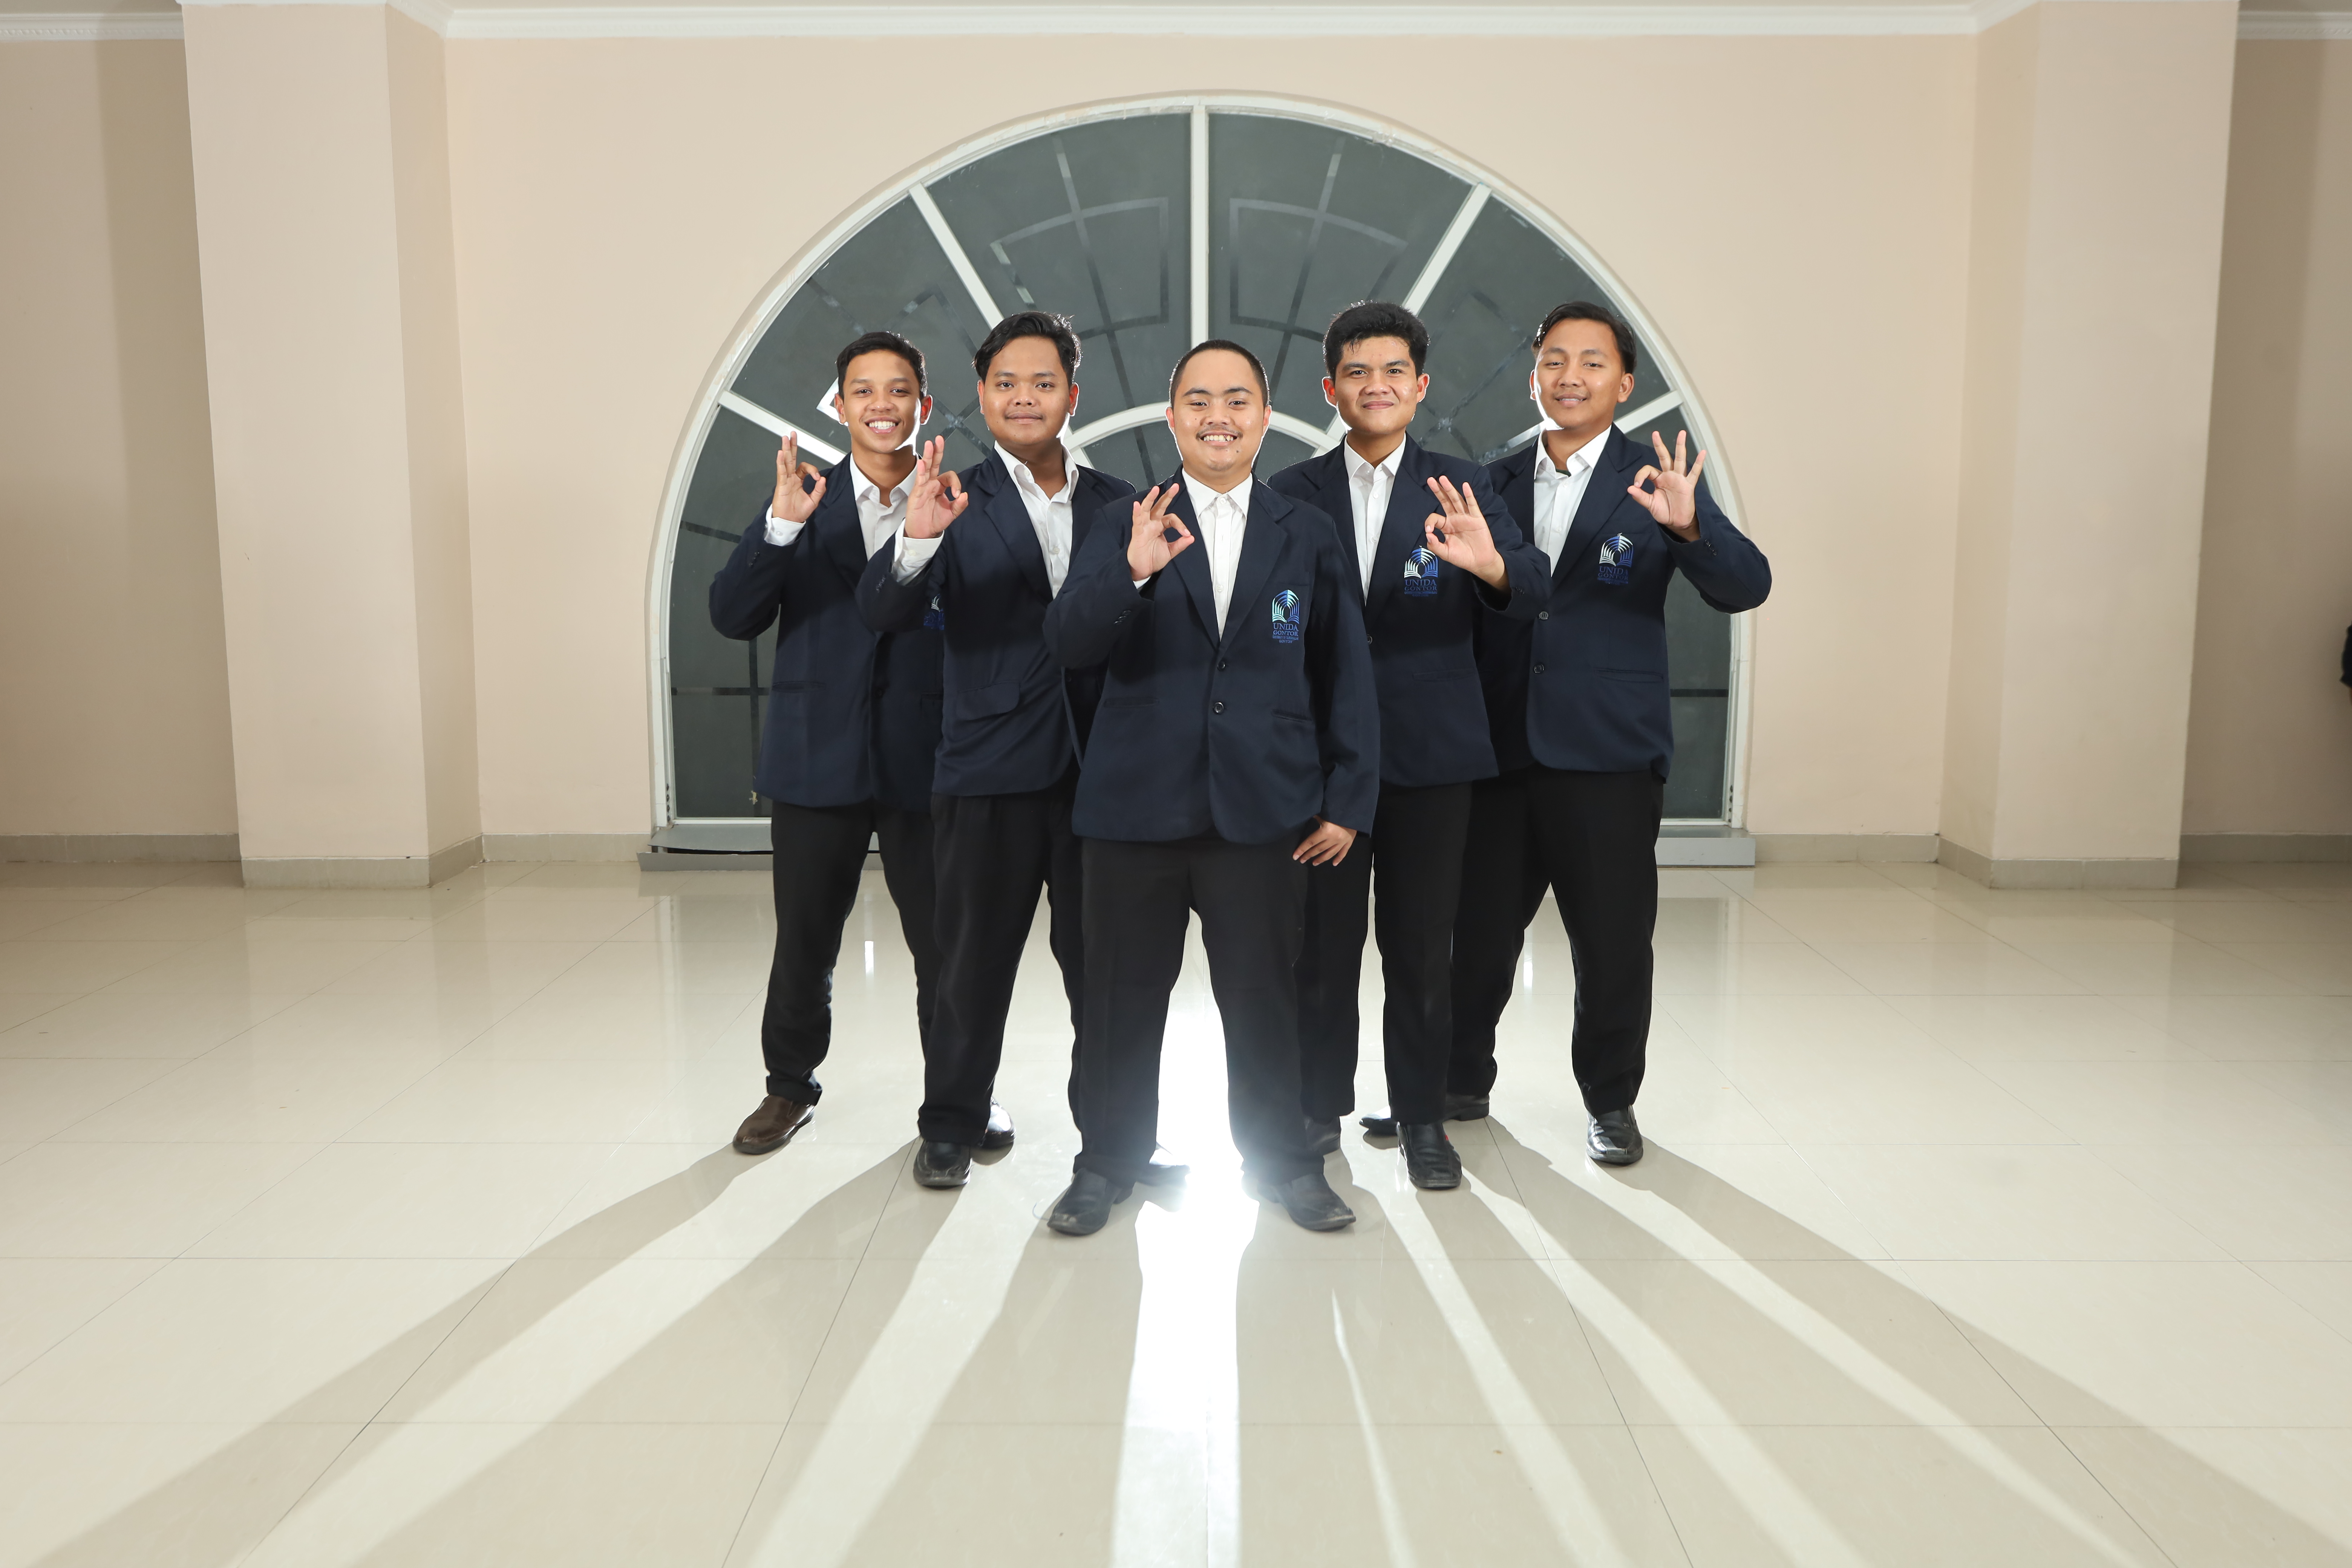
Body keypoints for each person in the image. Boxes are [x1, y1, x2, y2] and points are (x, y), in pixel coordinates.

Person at [1040, 340, 1380, 1235]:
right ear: (1172, 416)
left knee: (1266, 1002)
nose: (1217, 416)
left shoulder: (1307, 530)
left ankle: (1282, 1163)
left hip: (1264, 812)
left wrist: (1349, 799)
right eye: (1198, 400)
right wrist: (1133, 570)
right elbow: (1069, 641)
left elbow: (1345, 672)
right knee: (1118, 1003)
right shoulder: (1124, 519)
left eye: (1237, 400)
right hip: (1133, 811)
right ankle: (1106, 1162)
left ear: (1265, 416)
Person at [1453, 302, 1771, 1166]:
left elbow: (1746, 587)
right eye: (1554, 360)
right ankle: (1456, 1081)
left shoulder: (1657, 483)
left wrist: (1691, 527)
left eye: (1592, 362)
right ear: (1534, 377)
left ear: (1624, 384)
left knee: (1613, 944)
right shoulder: (1491, 482)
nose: (1571, 376)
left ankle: (1611, 1102)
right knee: (1474, 934)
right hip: (1498, 750)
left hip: (1608, 755)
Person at [1265, 302, 1549, 1190]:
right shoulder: (1291, 492)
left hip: (1433, 759)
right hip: (1324, 765)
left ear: (1420, 386)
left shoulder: (1464, 487)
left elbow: (1533, 587)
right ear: (1331, 388)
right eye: (1357, 372)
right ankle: (1317, 1107)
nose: (1376, 386)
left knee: (1423, 948)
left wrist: (1488, 565)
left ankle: (1423, 1116)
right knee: (1321, 948)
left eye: (1394, 371)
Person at [857, 311, 1137, 1189]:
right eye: (1007, 383)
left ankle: (1115, 1137)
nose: (1024, 397)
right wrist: (918, 537)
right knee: (968, 967)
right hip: (987, 769)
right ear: (982, 395)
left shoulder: (1121, 502)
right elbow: (883, 611)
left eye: (1043, 383)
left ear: (1071, 396)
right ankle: (951, 1124)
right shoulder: (949, 496)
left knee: (1107, 973)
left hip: (1102, 777)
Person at [709, 330, 946, 1157]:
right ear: (839, 406)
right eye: (863, 390)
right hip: (817, 756)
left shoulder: (954, 500)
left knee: (945, 944)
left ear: (924, 404)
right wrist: (779, 527)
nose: (882, 405)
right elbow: (732, 615)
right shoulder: (801, 499)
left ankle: (958, 1093)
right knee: (805, 940)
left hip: (927, 758)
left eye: (899, 389)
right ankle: (788, 1087)